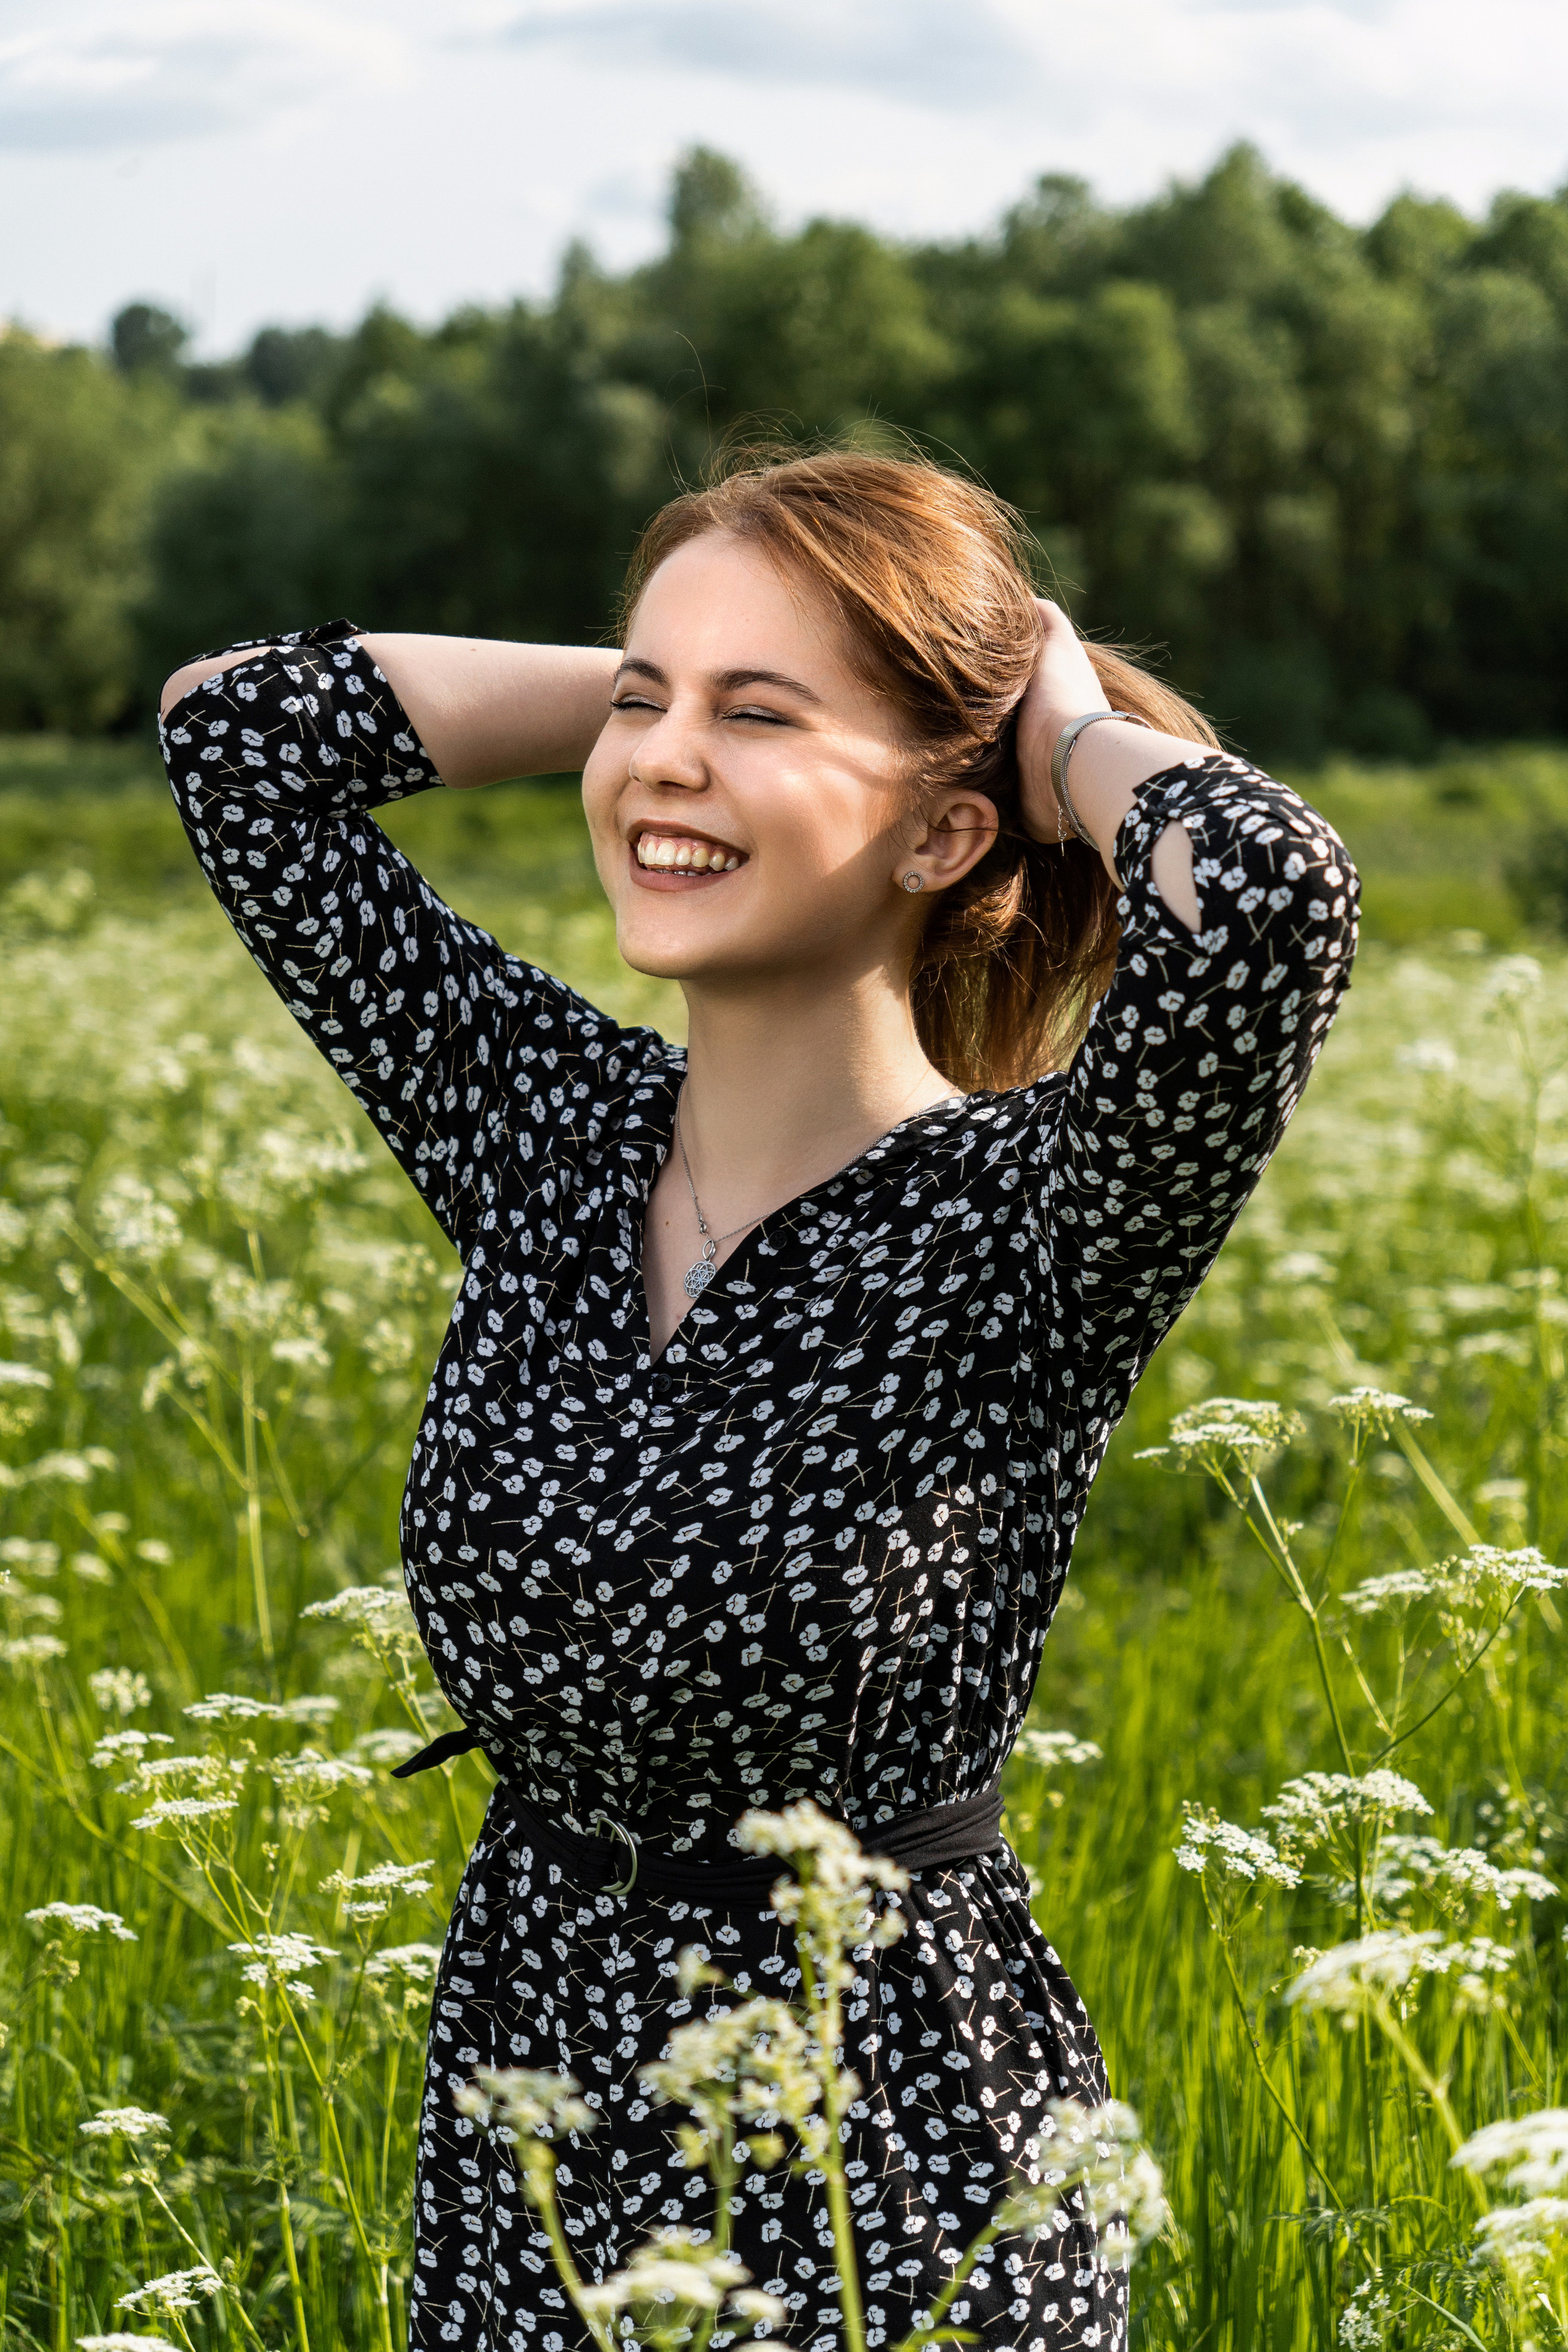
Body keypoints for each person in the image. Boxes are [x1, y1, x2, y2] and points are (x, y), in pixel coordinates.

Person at [159, 448, 1357, 2352]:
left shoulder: (1031, 1226)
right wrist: (676, 688)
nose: (659, 764)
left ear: (952, 838)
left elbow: (1272, 901)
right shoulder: (550, 1134)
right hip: (527, 2129)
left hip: (887, 2146)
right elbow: (235, 735)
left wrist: (1043, 731)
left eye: (756, 714)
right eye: (647, 701)